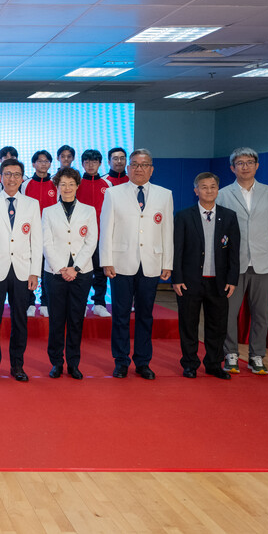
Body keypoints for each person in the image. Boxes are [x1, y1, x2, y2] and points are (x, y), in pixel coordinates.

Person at [99, 149, 173, 380]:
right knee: (120, 315)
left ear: (152, 168)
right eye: (134, 165)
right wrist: (106, 261)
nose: (139, 169)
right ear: (128, 168)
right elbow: (106, 229)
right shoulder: (113, 193)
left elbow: (167, 230)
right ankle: (121, 361)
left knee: (145, 316)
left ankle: (143, 362)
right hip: (120, 263)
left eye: (144, 165)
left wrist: (167, 262)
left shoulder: (164, 194)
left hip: (151, 263)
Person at [217, 147, 268, 375]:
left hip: (263, 263)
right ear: (232, 168)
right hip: (233, 266)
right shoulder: (224, 193)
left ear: (257, 166)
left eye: (249, 162)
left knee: (260, 314)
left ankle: (257, 356)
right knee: (229, 313)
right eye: (240, 163)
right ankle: (231, 354)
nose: (244, 166)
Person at [0, 158, 42, 382]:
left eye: (16, 174)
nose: (12, 178)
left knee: (20, 320)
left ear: (22, 177)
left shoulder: (32, 204)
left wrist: (35, 272)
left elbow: (37, 240)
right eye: (7, 174)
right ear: (0, 177)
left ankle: (17, 365)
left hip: (23, 270)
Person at [172, 173, 239, 380]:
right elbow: (177, 250)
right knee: (188, 325)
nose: (208, 191)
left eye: (212, 187)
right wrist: (177, 278)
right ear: (196, 191)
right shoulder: (184, 216)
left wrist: (232, 279)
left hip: (218, 282)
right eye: (204, 187)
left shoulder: (229, 216)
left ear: (218, 190)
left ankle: (213, 364)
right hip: (190, 281)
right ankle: (190, 363)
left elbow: (234, 251)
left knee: (217, 325)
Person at [42, 167, 98, 380]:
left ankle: (74, 363)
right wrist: (61, 268)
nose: (67, 188)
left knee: (76, 319)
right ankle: (56, 362)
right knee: (56, 319)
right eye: (62, 184)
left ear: (77, 186)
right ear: (57, 186)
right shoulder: (48, 211)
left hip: (81, 273)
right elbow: (46, 243)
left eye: (71, 184)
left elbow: (91, 241)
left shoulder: (89, 210)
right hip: (55, 273)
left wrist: (75, 268)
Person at [75, 149, 113, 317]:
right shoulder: (76, 183)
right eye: (87, 162)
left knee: (100, 271)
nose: (91, 165)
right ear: (83, 164)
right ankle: (81, 303)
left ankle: (99, 303)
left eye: (94, 162)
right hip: (79, 236)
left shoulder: (107, 184)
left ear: (100, 163)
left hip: (101, 235)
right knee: (80, 271)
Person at [20, 150, 57, 317]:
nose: (43, 164)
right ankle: (29, 302)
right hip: (28, 235)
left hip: (50, 234)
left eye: (46, 161)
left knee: (47, 270)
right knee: (29, 269)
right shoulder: (25, 184)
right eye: (39, 161)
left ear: (50, 163)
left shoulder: (56, 183)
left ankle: (46, 302)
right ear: (33, 164)